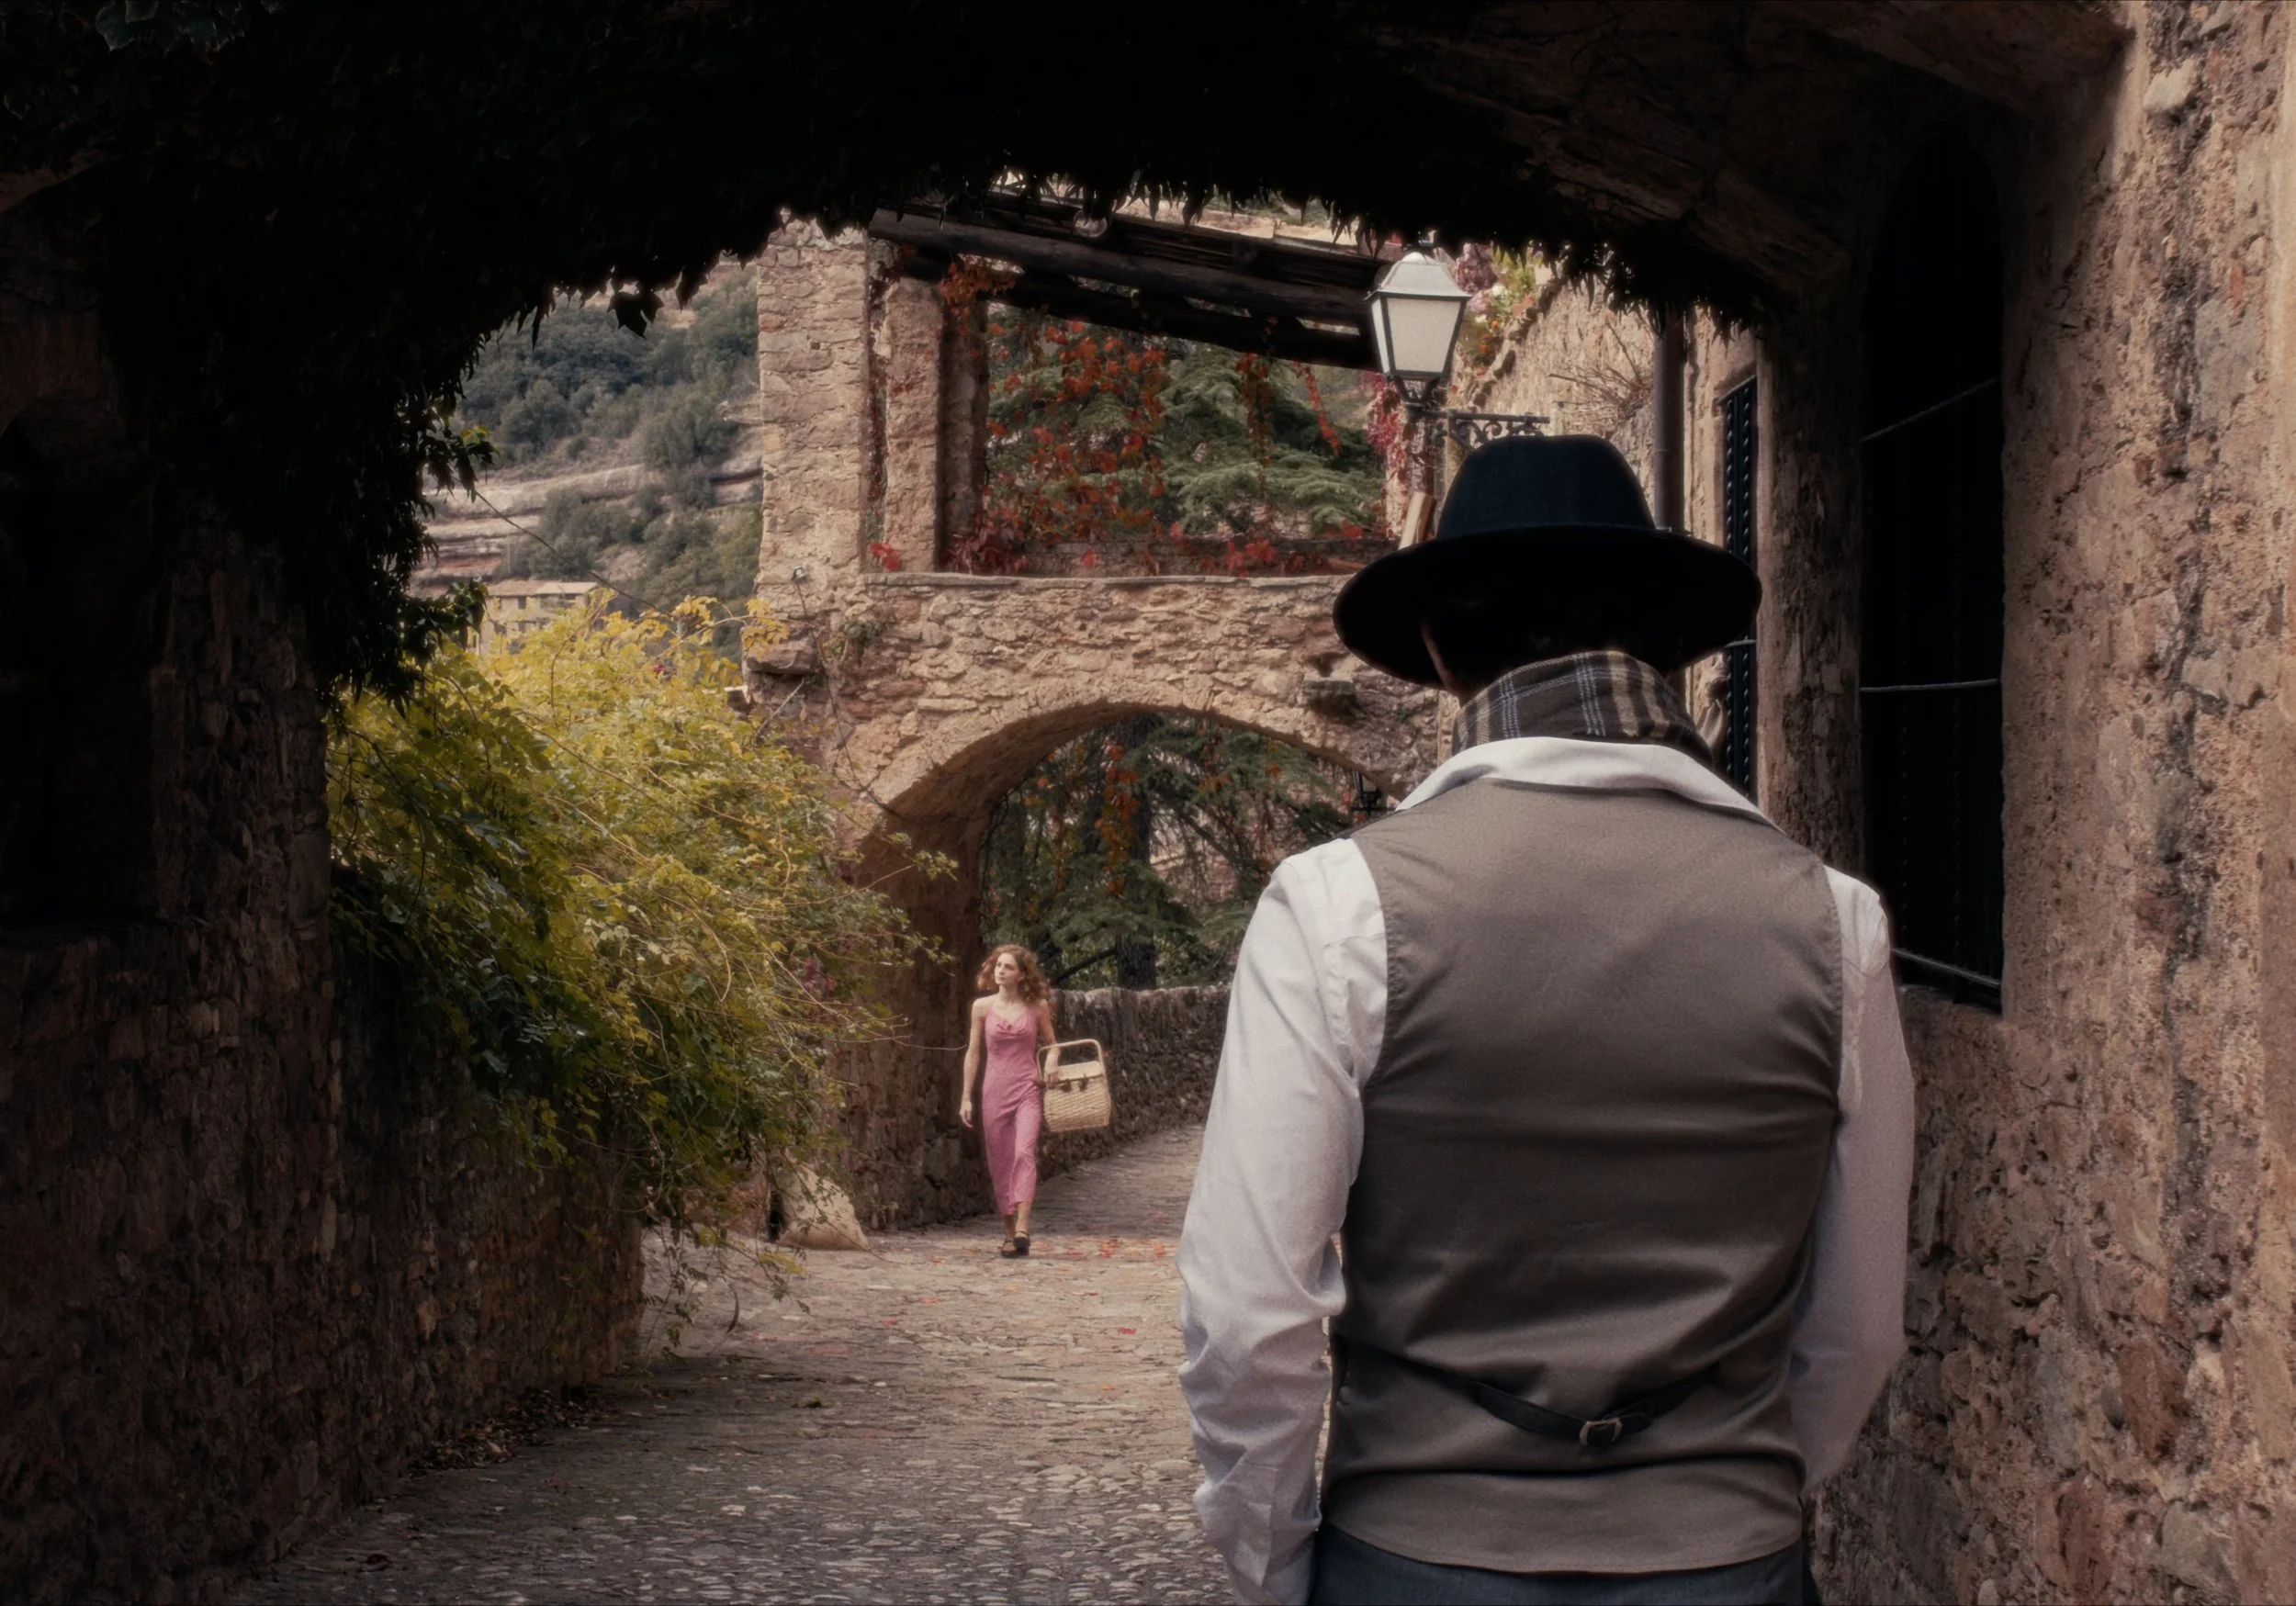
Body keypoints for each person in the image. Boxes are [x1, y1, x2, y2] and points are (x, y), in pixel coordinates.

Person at [1178, 434, 1915, 1606]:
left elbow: (1247, 1317)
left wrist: (1277, 1559)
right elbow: (1858, 1329)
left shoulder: (1335, 907)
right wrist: (1742, 1503)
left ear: (1437, 649)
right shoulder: (1835, 923)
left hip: (1414, 1557)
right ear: (1666, 642)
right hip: (1727, 1560)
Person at [961, 942, 1058, 1258]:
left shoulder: (1037, 1007)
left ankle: (1023, 1226)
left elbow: (1053, 1045)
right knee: (999, 1160)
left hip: (1027, 1087)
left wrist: (1052, 1061)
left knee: (1024, 1152)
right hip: (994, 1091)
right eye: (998, 966)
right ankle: (1008, 1232)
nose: (1001, 971)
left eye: (1008, 967)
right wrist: (966, 1097)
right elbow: (973, 1053)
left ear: (1021, 975)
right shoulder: (981, 1008)